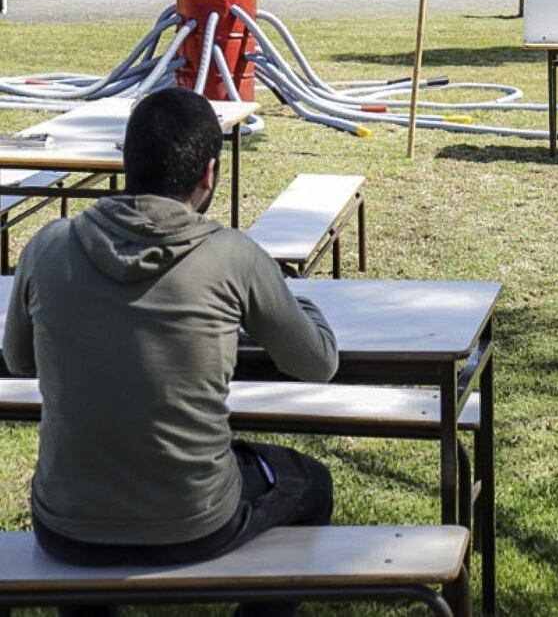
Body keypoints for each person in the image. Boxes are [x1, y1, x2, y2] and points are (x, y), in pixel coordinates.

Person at [2, 88, 339, 616]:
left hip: (64, 524)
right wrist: (303, 302)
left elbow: (18, 360)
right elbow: (317, 362)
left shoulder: (47, 246)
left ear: (125, 161)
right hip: (196, 521)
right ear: (209, 173)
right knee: (311, 483)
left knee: (91, 531)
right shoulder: (233, 256)